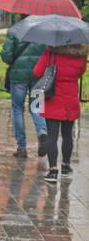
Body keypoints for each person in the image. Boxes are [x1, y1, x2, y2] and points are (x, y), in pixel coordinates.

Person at [32, 43, 88, 182]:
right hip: (71, 99)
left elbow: (37, 72)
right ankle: (66, 166)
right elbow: (81, 72)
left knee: (52, 136)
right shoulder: (81, 54)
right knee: (68, 135)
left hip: (53, 99)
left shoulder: (51, 53)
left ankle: (52, 171)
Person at [0, 27, 47, 159]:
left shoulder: (15, 31)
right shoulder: (44, 31)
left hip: (18, 77)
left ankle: (22, 147)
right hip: (39, 75)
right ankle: (42, 131)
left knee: (17, 109)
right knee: (37, 107)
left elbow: (6, 56)